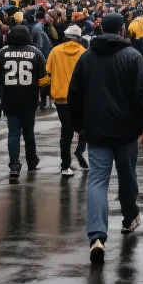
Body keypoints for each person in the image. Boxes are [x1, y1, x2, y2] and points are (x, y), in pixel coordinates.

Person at [68, 13, 143, 265]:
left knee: (97, 181)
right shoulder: (132, 56)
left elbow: (74, 93)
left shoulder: (87, 57)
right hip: (127, 130)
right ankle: (129, 218)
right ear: (121, 31)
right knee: (127, 176)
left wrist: (78, 125)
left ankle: (97, 235)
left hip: (96, 130)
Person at [0, 25, 47, 179]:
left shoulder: (2, 52)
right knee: (29, 132)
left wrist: (0, 91)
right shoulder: (36, 52)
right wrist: (39, 91)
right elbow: (44, 77)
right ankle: (31, 159)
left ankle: (14, 165)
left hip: (9, 98)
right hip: (29, 98)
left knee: (13, 133)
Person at [43, 24, 88, 176]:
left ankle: (65, 166)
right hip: (80, 99)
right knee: (84, 127)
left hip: (61, 98)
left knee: (66, 131)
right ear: (79, 38)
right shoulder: (84, 53)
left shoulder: (55, 51)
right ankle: (80, 149)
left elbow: (47, 72)